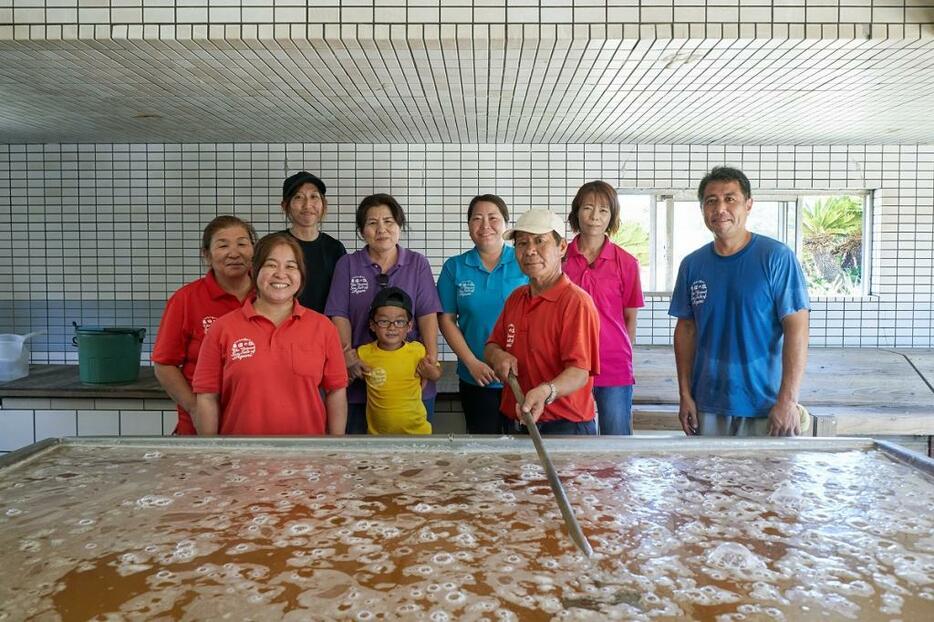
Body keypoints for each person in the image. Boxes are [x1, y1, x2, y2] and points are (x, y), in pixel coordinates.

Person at [669, 166, 810, 437]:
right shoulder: (692, 265)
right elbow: (686, 331)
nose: (720, 208)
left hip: (765, 406)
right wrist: (685, 394)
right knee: (704, 479)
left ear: (748, 204)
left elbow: (798, 329)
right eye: (711, 201)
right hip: (708, 405)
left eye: (730, 199)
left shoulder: (776, 258)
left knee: (764, 480)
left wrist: (788, 401)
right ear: (702, 210)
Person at [192, 233, 348, 435]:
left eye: (291, 266)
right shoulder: (223, 329)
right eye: (271, 265)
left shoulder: (323, 327)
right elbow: (206, 396)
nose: (281, 274)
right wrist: (211, 454)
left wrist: (335, 448)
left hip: (306, 459)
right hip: (239, 458)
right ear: (255, 270)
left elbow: (336, 391)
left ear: (301, 275)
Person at [325, 193, 443, 434]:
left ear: (399, 225)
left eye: (389, 221)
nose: (382, 229)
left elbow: (427, 314)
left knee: (415, 463)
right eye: (372, 223)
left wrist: (431, 363)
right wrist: (347, 357)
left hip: (410, 381)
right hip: (360, 380)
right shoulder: (347, 265)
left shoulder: (417, 263)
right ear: (361, 231)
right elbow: (339, 314)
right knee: (363, 462)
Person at [484, 208, 601, 435]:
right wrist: (498, 356)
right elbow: (491, 346)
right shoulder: (516, 298)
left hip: (565, 426)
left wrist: (547, 391)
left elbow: (579, 372)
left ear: (562, 247)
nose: (530, 251)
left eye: (540, 241)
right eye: (522, 243)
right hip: (515, 418)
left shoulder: (576, 302)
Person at [152, 215, 257, 435]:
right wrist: (194, 408)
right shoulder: (186, 300)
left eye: (242, 243)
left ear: (254, 250)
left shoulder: (268, 296)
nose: (234, 253)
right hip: (201, 425)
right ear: (207, 255)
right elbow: (164, 364)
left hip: (254, 421)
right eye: (223, 245)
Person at [438, 194, 528, 434]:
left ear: (506, 225)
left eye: (493, 218)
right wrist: (472, 363)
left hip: (523, 378)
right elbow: (446, 319)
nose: (485, 225)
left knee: (523, 457)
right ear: (469, 227)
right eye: (477, 219)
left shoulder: (524, 261)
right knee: (483, 453)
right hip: (476, 377)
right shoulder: (454, 267)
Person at [564, 181, 644, 435]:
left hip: (614, 363)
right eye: (588, 208)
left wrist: (625, 357)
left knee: (617, 439)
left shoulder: (627, 263)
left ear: (612, 216)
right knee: (571, 439)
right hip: (569, 364)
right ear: (577, 212)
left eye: (603, 210)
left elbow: (630, 318)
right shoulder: (559, 258)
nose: (595, 217)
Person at [358, 287, 442, 435]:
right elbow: (347, 375)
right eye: (384, 321)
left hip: (418, 434)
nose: (392, 327)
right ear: (372, 325)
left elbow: (436, 374)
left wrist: (431, 372)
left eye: (399, 322)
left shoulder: (417, 351)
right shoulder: (364, 353)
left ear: (409, 326)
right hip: (378, 437)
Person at [279, 171, 347, 313]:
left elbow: (341, 298)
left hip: (323, 329)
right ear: (285, 206)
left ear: (323, 204)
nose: (307, 204)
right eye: (298, 197)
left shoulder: (335, 248)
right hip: (281, 326)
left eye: (314, 197)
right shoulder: (274, 245)